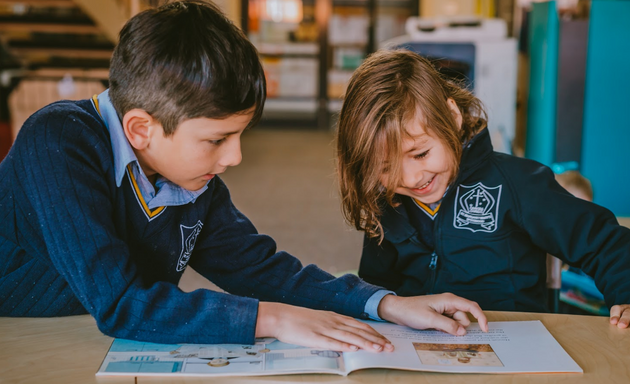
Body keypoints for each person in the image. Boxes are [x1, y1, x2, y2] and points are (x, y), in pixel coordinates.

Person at [0, 2, 488, 351]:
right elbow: (122, 303)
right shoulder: (58, 141)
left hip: (75, 331)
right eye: (216, 140)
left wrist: (384, 304)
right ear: (141, 129)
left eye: (240, 136)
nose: (233, 157)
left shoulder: (192, 178)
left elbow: (261, 268)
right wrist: (271, 318)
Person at [335, 49, 630, 328]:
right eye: (386, 168)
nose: (411, 178)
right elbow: (376, 288)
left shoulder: (518, 183)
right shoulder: (387, 200)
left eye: (421, 154)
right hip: (419, 348)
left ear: (452, 117)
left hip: (511, 346)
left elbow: (603, 242)